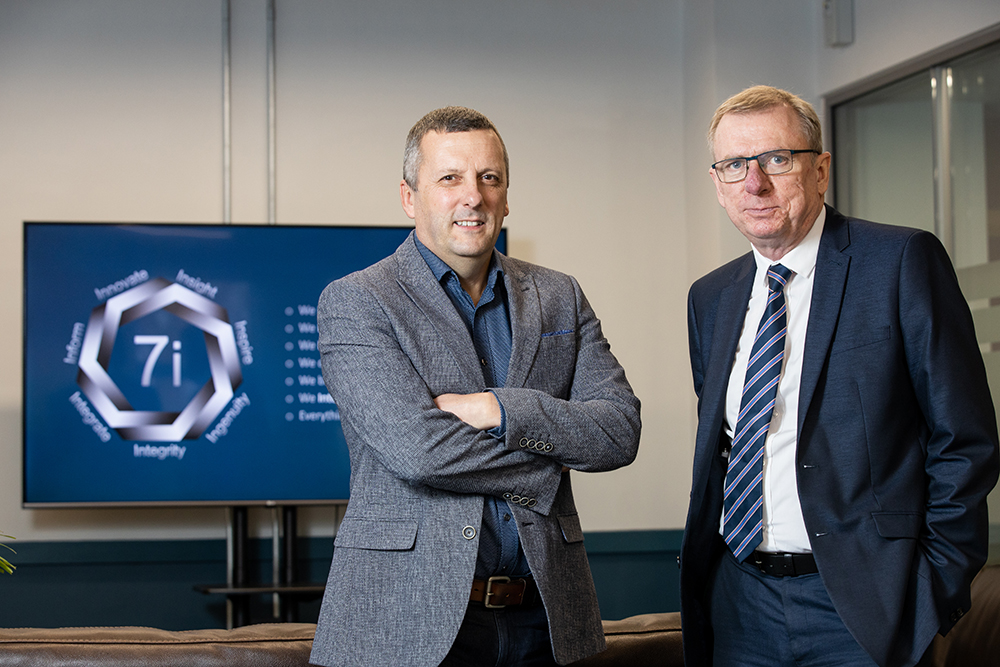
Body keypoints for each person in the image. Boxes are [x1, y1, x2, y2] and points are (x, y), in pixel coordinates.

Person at [308, 106, 641, 667]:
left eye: (489, 178)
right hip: (407, 621)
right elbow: (419, 451)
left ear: (506, 196)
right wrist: (549, 463)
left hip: (546, 616)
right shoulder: (358, 301)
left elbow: (618, 432)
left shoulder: (560, 296)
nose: (473, 196)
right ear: (409, 197)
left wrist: (501, 410)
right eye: (450, 178)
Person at [680, 85, 999, 667]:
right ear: (718, 184)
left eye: (777, 160)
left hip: (863, 606)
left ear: (821, 169)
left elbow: (966, 439)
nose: (755, 183)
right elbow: (729, 447)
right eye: (734, 166)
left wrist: (936, 588)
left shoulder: (899, 262)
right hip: (740, 600)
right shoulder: (711, 298)